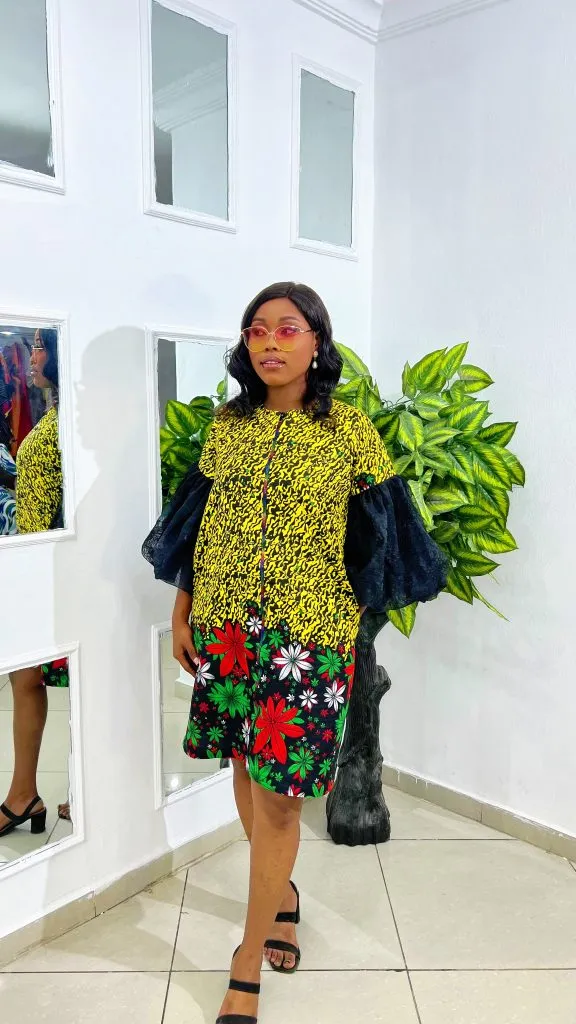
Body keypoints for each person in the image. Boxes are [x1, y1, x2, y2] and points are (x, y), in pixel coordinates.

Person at [143, 282, 447, 1024]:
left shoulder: (349, 431)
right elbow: (198, 528)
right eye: (257, 331)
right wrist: (182, 611)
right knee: (245, 769)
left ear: (317, 342)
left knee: (281, 797)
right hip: (225, 628)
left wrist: (344, 631)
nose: (270, 343)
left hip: (305, 641)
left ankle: (246, 960)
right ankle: (279, 899)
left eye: (287, 329)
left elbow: (385, 542)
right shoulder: (226, 426)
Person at [0, 329, 70, 841]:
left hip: (48, 572)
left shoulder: (56, 432)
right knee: (30, 679)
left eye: (42, 346)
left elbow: (37, 524)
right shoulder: (67, 419)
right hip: (55, 570)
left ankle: (26, 794)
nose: (31, 356)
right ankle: (29, 793)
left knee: (29, 679)